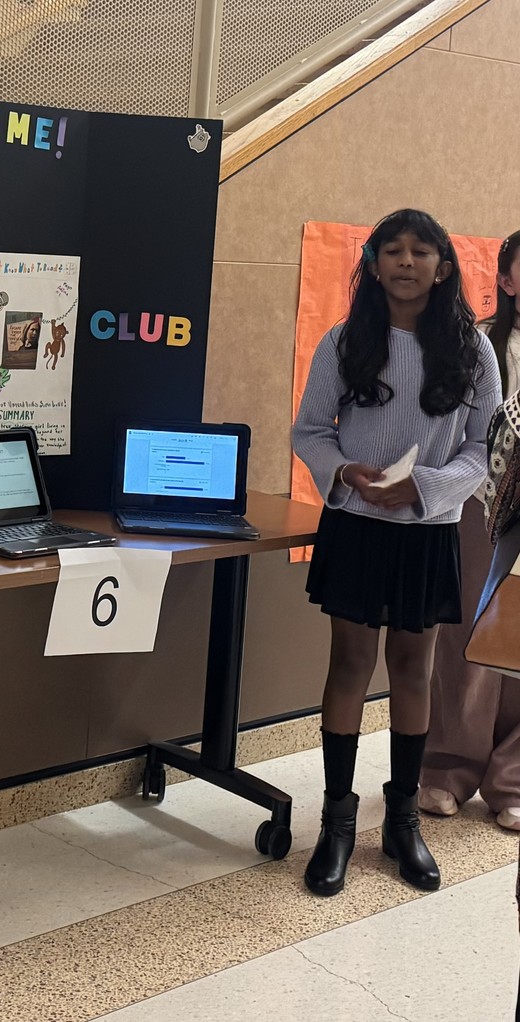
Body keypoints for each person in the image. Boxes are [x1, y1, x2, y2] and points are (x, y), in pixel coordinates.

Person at [292, 209, 501, 897]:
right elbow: (310, 432)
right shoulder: (345, 340)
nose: (405, 261)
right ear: (374, 264)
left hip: (427, 527)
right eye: (391, 250)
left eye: (421, 251)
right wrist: (345, 472)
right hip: (355, 523)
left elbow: (482, 450)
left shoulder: (472, 350)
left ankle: (404, 822)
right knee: (349, 662)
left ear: (444, 267)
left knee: (413, 668)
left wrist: (426, 487)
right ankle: (337, 824)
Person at [420, 229, 520, 830]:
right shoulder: (478, 346)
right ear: (506, 281)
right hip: (484, 509)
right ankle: (448, 769)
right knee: (467, 638)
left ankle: (512, 781)